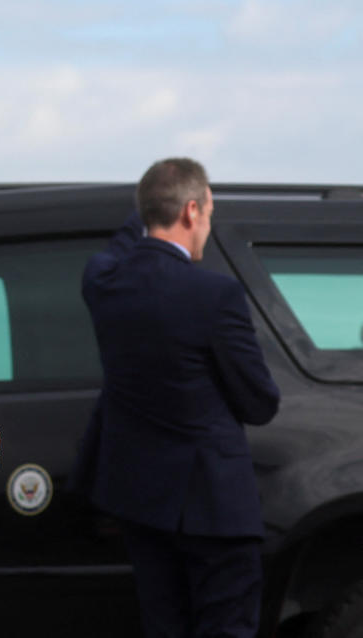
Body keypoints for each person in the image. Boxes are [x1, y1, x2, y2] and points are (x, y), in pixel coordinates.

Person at [70, 158, 280, 637]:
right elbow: (260, 403)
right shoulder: (216, 295)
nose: (209, 224)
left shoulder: (103, 282)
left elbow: (128, 241)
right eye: (209, 211)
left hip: (143, 504)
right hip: (216, 509)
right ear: (190, 211)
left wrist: (150, 205)